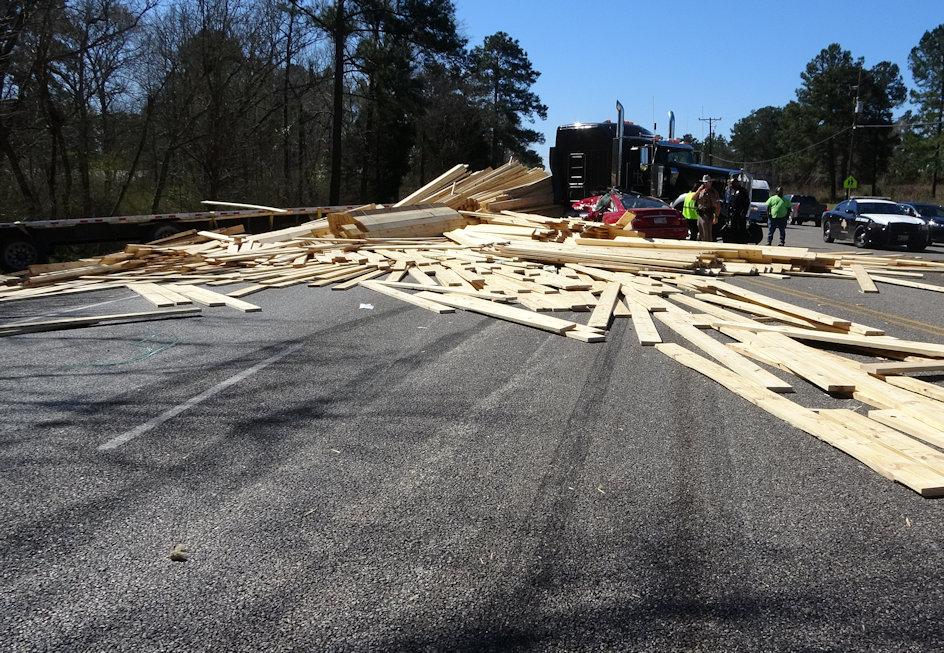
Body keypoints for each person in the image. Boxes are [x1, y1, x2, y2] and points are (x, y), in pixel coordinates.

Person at [724, 174, 750, 243]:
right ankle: (733, 241)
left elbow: (746, 203)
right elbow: (729, 202)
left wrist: (744, 212)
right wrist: (728, 213)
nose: (731, 185)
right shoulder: (731, 191)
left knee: (741, 228)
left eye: (733, 183)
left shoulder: (743, 191)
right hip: (733, 213)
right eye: (731, 183)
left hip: (740, 213)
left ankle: (742, 241)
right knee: (733, 228)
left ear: (736, 183)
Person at [696, 175, 720, 242]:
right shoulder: (701, 191)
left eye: (708, 182)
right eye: (705, 182)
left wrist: (716, 217)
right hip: (700, 214)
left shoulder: (713, 192)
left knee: (707, 235)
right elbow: (693, 198)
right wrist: (698, 190)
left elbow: (717, 206)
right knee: (701, 234)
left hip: (708, 215)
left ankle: (708, 247)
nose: (706, 184)